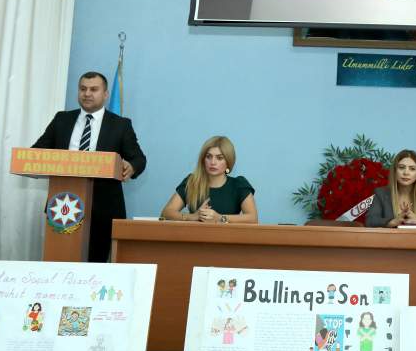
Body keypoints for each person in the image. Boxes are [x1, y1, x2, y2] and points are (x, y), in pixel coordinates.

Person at [33, 71, 146, 262]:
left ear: (105, 94)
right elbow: (38, 151)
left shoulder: (120, 125)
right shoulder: (62, 119)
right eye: (83, 89)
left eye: (94, 89)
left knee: (96, 265)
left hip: (104, 209)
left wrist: (131, 166)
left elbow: (139, 159)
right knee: (60, 261)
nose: (87, 93)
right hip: (63, 205)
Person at [160, 136, 258, 223]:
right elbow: (166, 213)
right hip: (195, 236)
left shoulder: (238, 184)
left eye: (219, 158)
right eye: (208, 157)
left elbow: (253, 218)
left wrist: (220, 218)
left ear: (228, 161)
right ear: (203, 160)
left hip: (227, 237)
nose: (213, 162)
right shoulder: (192, 182)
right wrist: (192, 217)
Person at [365, 149, 416, 228]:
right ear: (395, 171)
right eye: (401, 167)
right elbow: (370, 221)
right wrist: (393, 222)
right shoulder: (381, 193)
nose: (406, 173)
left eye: (412, 169)